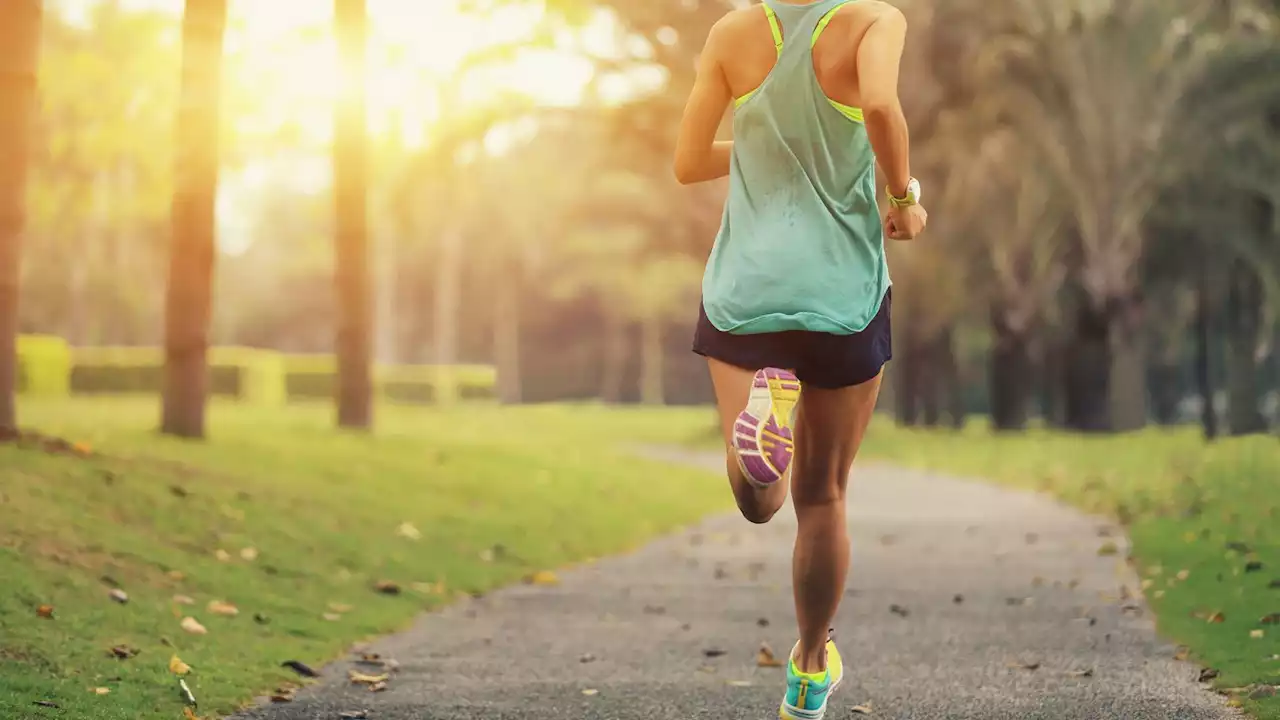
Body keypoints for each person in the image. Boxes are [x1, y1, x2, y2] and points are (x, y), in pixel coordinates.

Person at [672, 0, 926, 717]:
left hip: (746, 293)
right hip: (839, 294)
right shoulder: (876, 20)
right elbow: (879, 103)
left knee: (764, 501)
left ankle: (757, 442)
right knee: (824, 499)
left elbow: (688, 162)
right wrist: (903, 196)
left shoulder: (732, 32)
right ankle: (812, 667)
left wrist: (763, 142)